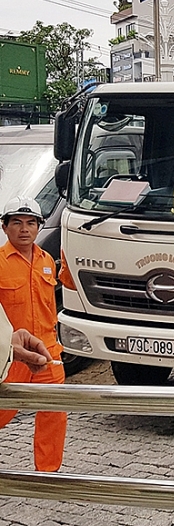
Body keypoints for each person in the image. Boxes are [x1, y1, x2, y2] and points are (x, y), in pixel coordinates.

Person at [0, 197, 67, 472]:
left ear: (39, 227)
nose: (24, 229)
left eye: (31, 223)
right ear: (4, 227)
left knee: (54, 412)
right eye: (17, 222)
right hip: (10, 355)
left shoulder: (47, 261)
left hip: (48, 351)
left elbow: (51, 304)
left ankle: (48, 474)